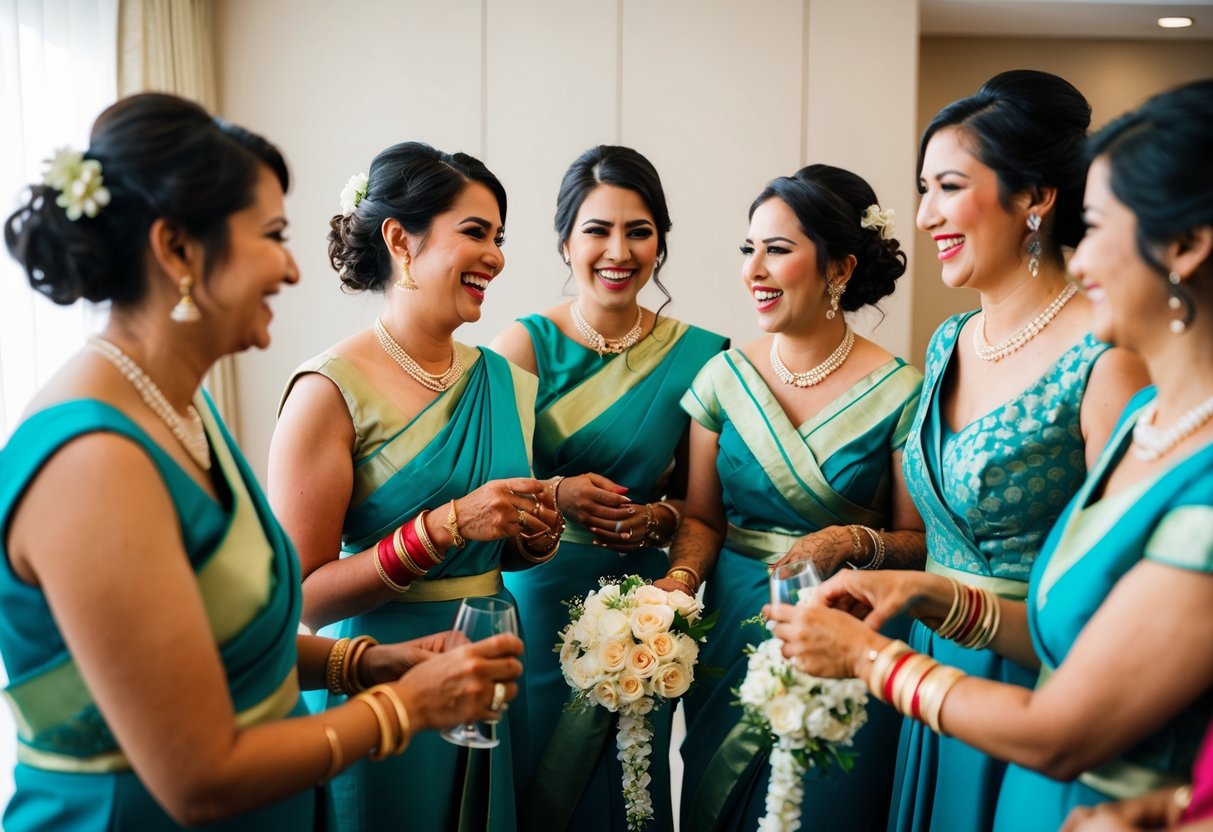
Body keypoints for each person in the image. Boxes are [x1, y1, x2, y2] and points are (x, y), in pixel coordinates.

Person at [0, 93, 522, 831]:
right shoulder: (94, 461)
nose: (292, 267)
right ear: (177, 249)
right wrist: (407, 705)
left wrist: (366, 663)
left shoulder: (182, 408)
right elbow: (199, 779)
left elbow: (219, 644)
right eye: (272, 234)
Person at [769, 78, 1213, 832]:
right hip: (970, 694)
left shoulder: (1128, 397)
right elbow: (1061, 621)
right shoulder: (1146, 424)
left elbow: (1071, 715)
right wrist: (926, 595)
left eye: (1097, 225)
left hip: (1058, 757)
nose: (1083, 252)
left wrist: (867, 660)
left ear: (1183, 247)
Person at [269, 141, 560, 832]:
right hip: (377, 677)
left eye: (498, 237)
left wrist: (533, 537)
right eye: (474, 233)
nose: (495, 256)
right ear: (401, 240)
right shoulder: (327, 391)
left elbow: (499, 550)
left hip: (488, 654)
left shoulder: (504, 381)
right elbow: (303, 596)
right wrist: (441, 528)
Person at [656, 163, 925, 831]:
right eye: (749, 249)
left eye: (777, 249)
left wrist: (850, 542)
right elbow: (700, 519)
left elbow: (919, 542)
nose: (754, 269)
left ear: (838, 267)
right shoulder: (721, 380)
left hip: (848, 628)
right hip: (732, 631)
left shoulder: (902, 391)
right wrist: (678, 581)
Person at [490, 145, 728, 831]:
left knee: (630, 785)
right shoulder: (524, 345)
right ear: (565, 239)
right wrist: (557, 496)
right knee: (535, 777)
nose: (617, 250)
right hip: (537, 598)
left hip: (647, 609)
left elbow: (705, 509)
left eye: (638, 230)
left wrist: (657, 519)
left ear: (660, 242)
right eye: (597, 230)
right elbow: (491, 491)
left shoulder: (703, 356)